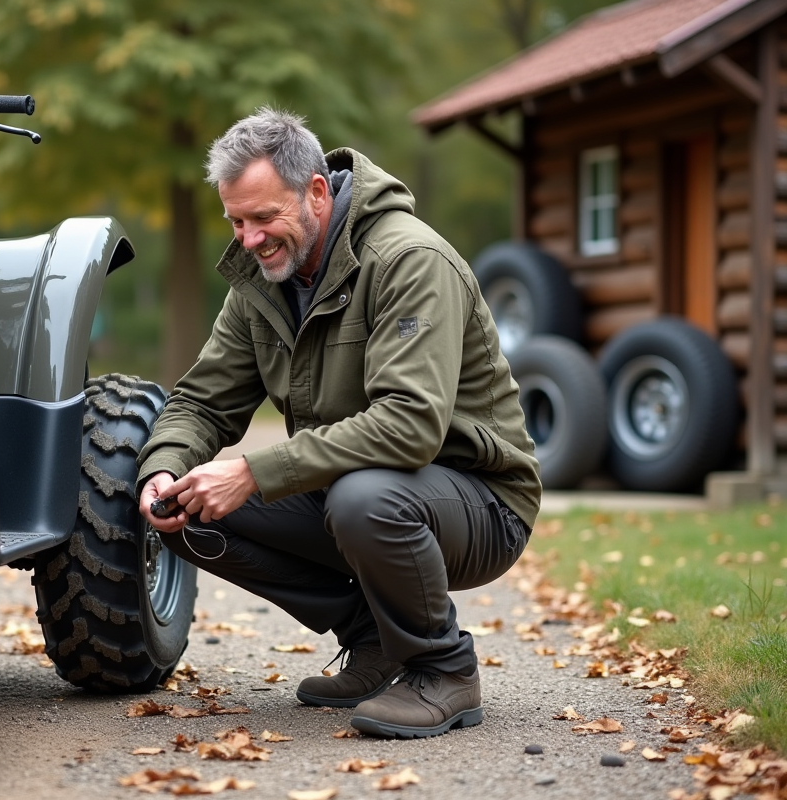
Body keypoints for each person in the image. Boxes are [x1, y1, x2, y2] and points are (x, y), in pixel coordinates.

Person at [136, 108, 541, 739]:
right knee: (185, 507)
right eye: (236, 221)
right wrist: (164, 468)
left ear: (317, 192)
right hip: (362, 486)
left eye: (264, 218)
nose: (247, 239)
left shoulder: (408, 260)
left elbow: (410, 426)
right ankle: (376, 642)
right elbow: (202, 403)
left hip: (479, 501)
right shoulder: (260, 283)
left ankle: (444, 670)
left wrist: (256, 471)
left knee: (364, 497)